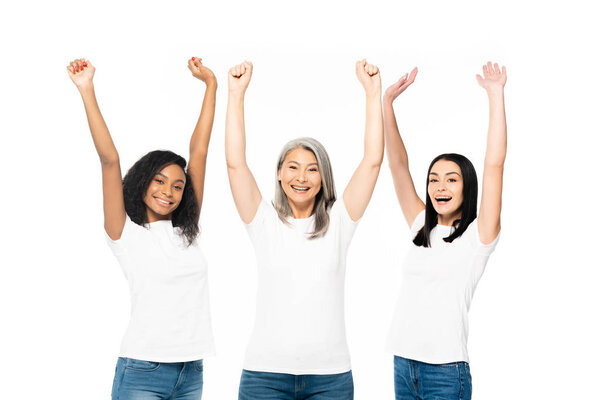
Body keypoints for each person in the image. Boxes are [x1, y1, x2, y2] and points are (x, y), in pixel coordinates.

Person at [225, 59, 383, 400]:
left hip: (330, 379)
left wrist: (373, 94)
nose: (301, 177)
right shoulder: (263, 222)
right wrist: (236, 95)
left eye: (312, 169)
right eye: (293, 167)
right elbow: (235, 164)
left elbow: (372, 161)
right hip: (264, 376)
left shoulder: (340, 222)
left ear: (324, 178)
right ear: (279, 173)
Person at [67, 56, 217, 400]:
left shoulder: (186, 233)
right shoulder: (125, 233)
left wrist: (211, 86)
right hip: (143, 371)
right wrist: (87, 89)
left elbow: (200, 151)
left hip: (191, 370)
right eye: (160, 181)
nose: (168, 191)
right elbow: (109, 160)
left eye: (178, 186)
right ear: (142, 182)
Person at [383, 62, 507, 400]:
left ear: (467, 187)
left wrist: (495, 95)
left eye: (451, 179)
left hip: (446, 373)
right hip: (403, 364)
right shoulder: (419, 226)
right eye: (433, 179)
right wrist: (386, 103)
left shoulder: (478, 237)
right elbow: (397, 164)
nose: (440, 186)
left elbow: (494, 164)